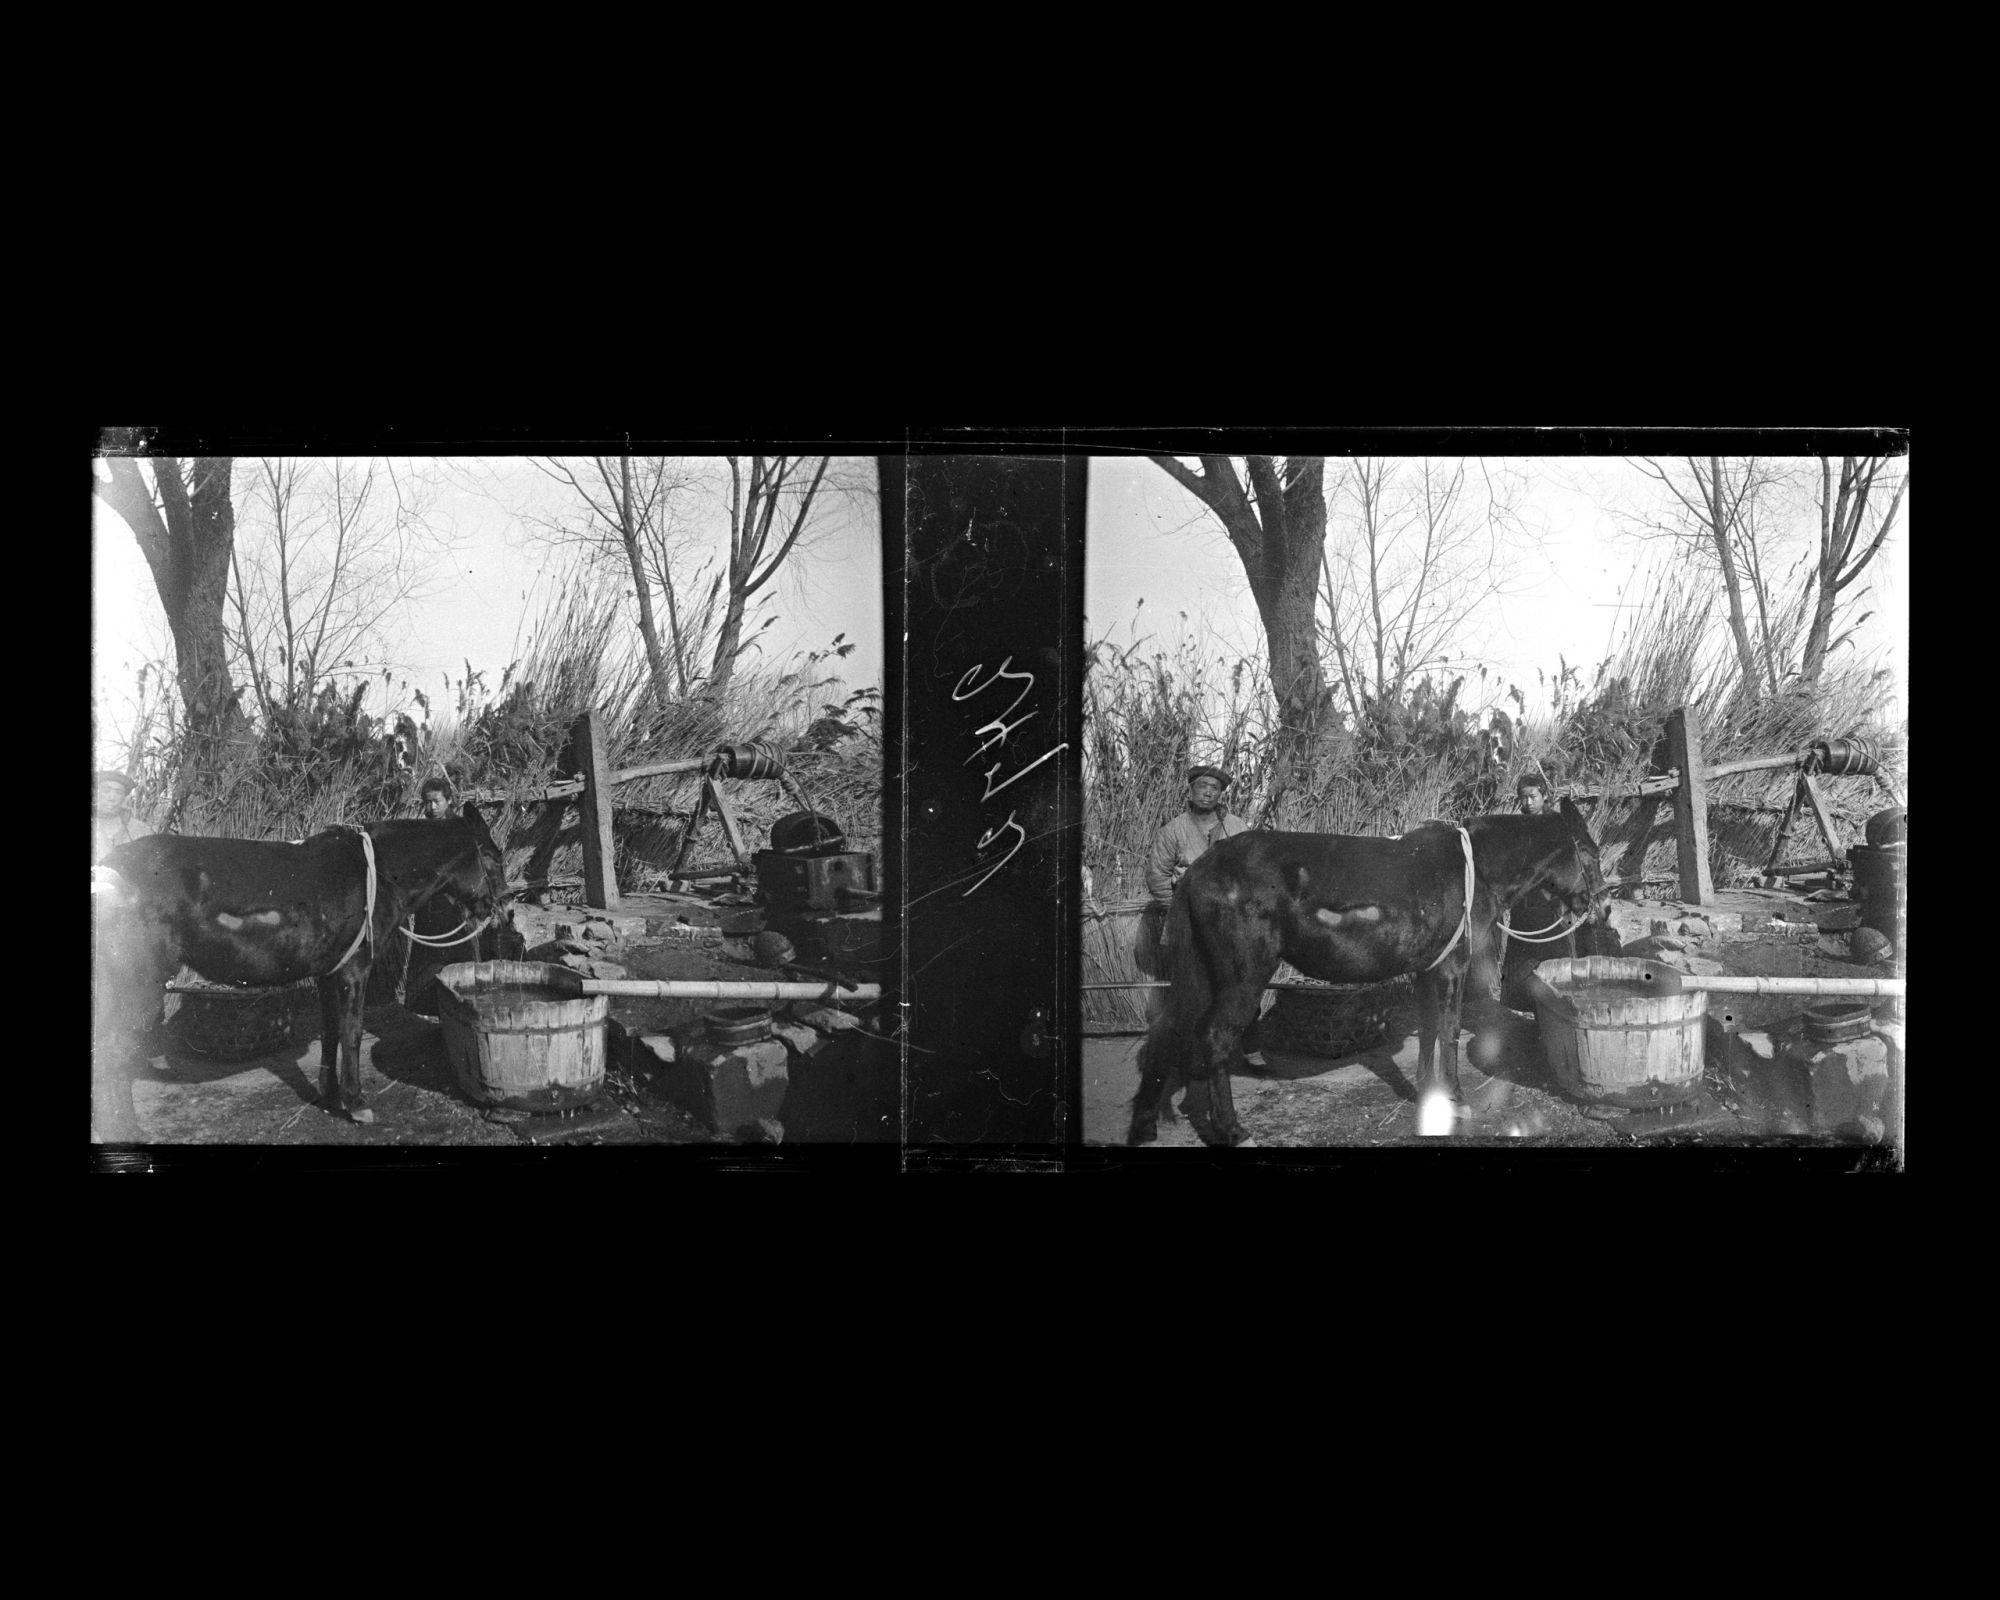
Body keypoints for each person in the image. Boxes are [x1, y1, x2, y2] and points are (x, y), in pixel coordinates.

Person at [1145, 764, 1266, 1067]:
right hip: (1190, 923)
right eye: (1202, 786)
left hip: (1234, 924)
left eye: (1215, 787)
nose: (1208, 792)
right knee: (1194, 989)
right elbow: (1157, 875)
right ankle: (1193, 1055)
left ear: (1222, 794)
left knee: (1244, 984)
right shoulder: (1174, 830)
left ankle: (1250, 1049)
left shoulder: (1237, 828)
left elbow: (1257, 871)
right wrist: (1179, 907)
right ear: (1190, 790)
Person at [93, 770, 153, 863]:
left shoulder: (141, 830)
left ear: (124, 797)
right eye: (106, 791)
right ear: (96, 794)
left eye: (118, 792)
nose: (111, 798)